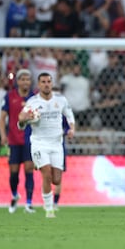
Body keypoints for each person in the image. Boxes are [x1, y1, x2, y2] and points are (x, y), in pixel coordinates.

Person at [17, 72, 75, 218]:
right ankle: (49, 209)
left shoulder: (60, 100)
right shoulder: (32, 102)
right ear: (39, 85)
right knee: (46, 174)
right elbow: (21, 121)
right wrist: (24, 120)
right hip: (39, 143)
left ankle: (49, 202)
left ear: (52, 83)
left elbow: (69, 114)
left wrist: (72, 128)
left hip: (56, 144)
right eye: (43, 82)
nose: (46, 84)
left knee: (57, 179)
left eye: (49, 81)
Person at [0, 69, 36, 214]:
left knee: (29, 169)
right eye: (23, 79)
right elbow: (2, 118)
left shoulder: (35, 98)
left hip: (30, 140)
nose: (25, 81)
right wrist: (3, 135)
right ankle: (14, 195)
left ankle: (29, 203)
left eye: (28, 79)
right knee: (13, 172)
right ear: (18, 81)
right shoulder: (10, 96)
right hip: (13, 139)